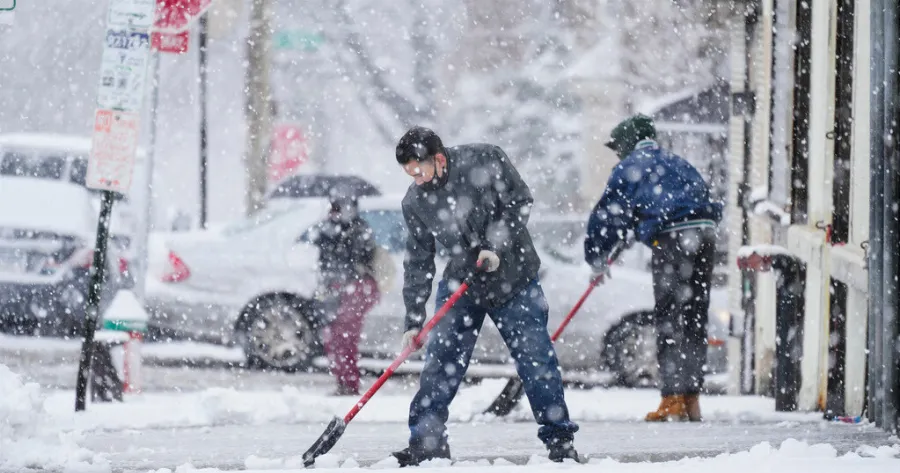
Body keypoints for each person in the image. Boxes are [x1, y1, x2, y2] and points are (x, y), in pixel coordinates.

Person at [391, 126, 580, 466]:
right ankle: (427, 443)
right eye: (409, 173)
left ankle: (560, 440)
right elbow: (418, 262)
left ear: (438, 158)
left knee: (536, 360)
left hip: (513, 277)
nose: (416, 179)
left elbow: (519, 200)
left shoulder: (485, 159)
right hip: (463, 282)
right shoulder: (415, 202)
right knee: (441, 362)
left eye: (419, 170)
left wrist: (496, 246)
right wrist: (413, 320)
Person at [584, 115, 723, 422]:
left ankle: (672, 399)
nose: (617, 153)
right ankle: (690, 397)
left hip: (674, 241)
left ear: (626, 144)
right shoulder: (678, 163)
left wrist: (597, 257)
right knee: (694, 316)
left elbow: (608, 216)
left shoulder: (629, 168)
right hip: (704, 236)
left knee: (670, 318)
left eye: (618, 147)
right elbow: (693, 202)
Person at [313, 189, 380, 396]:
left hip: (354, 287)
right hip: (333, 288)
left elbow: (359, 257)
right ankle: (342, 380)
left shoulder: (359, 230)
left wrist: (343, 236)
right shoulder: (328, 230)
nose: (334, 213)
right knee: (332, 337)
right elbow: (324, 259)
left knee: (346, 337)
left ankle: (349, 383)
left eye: (338, 208)